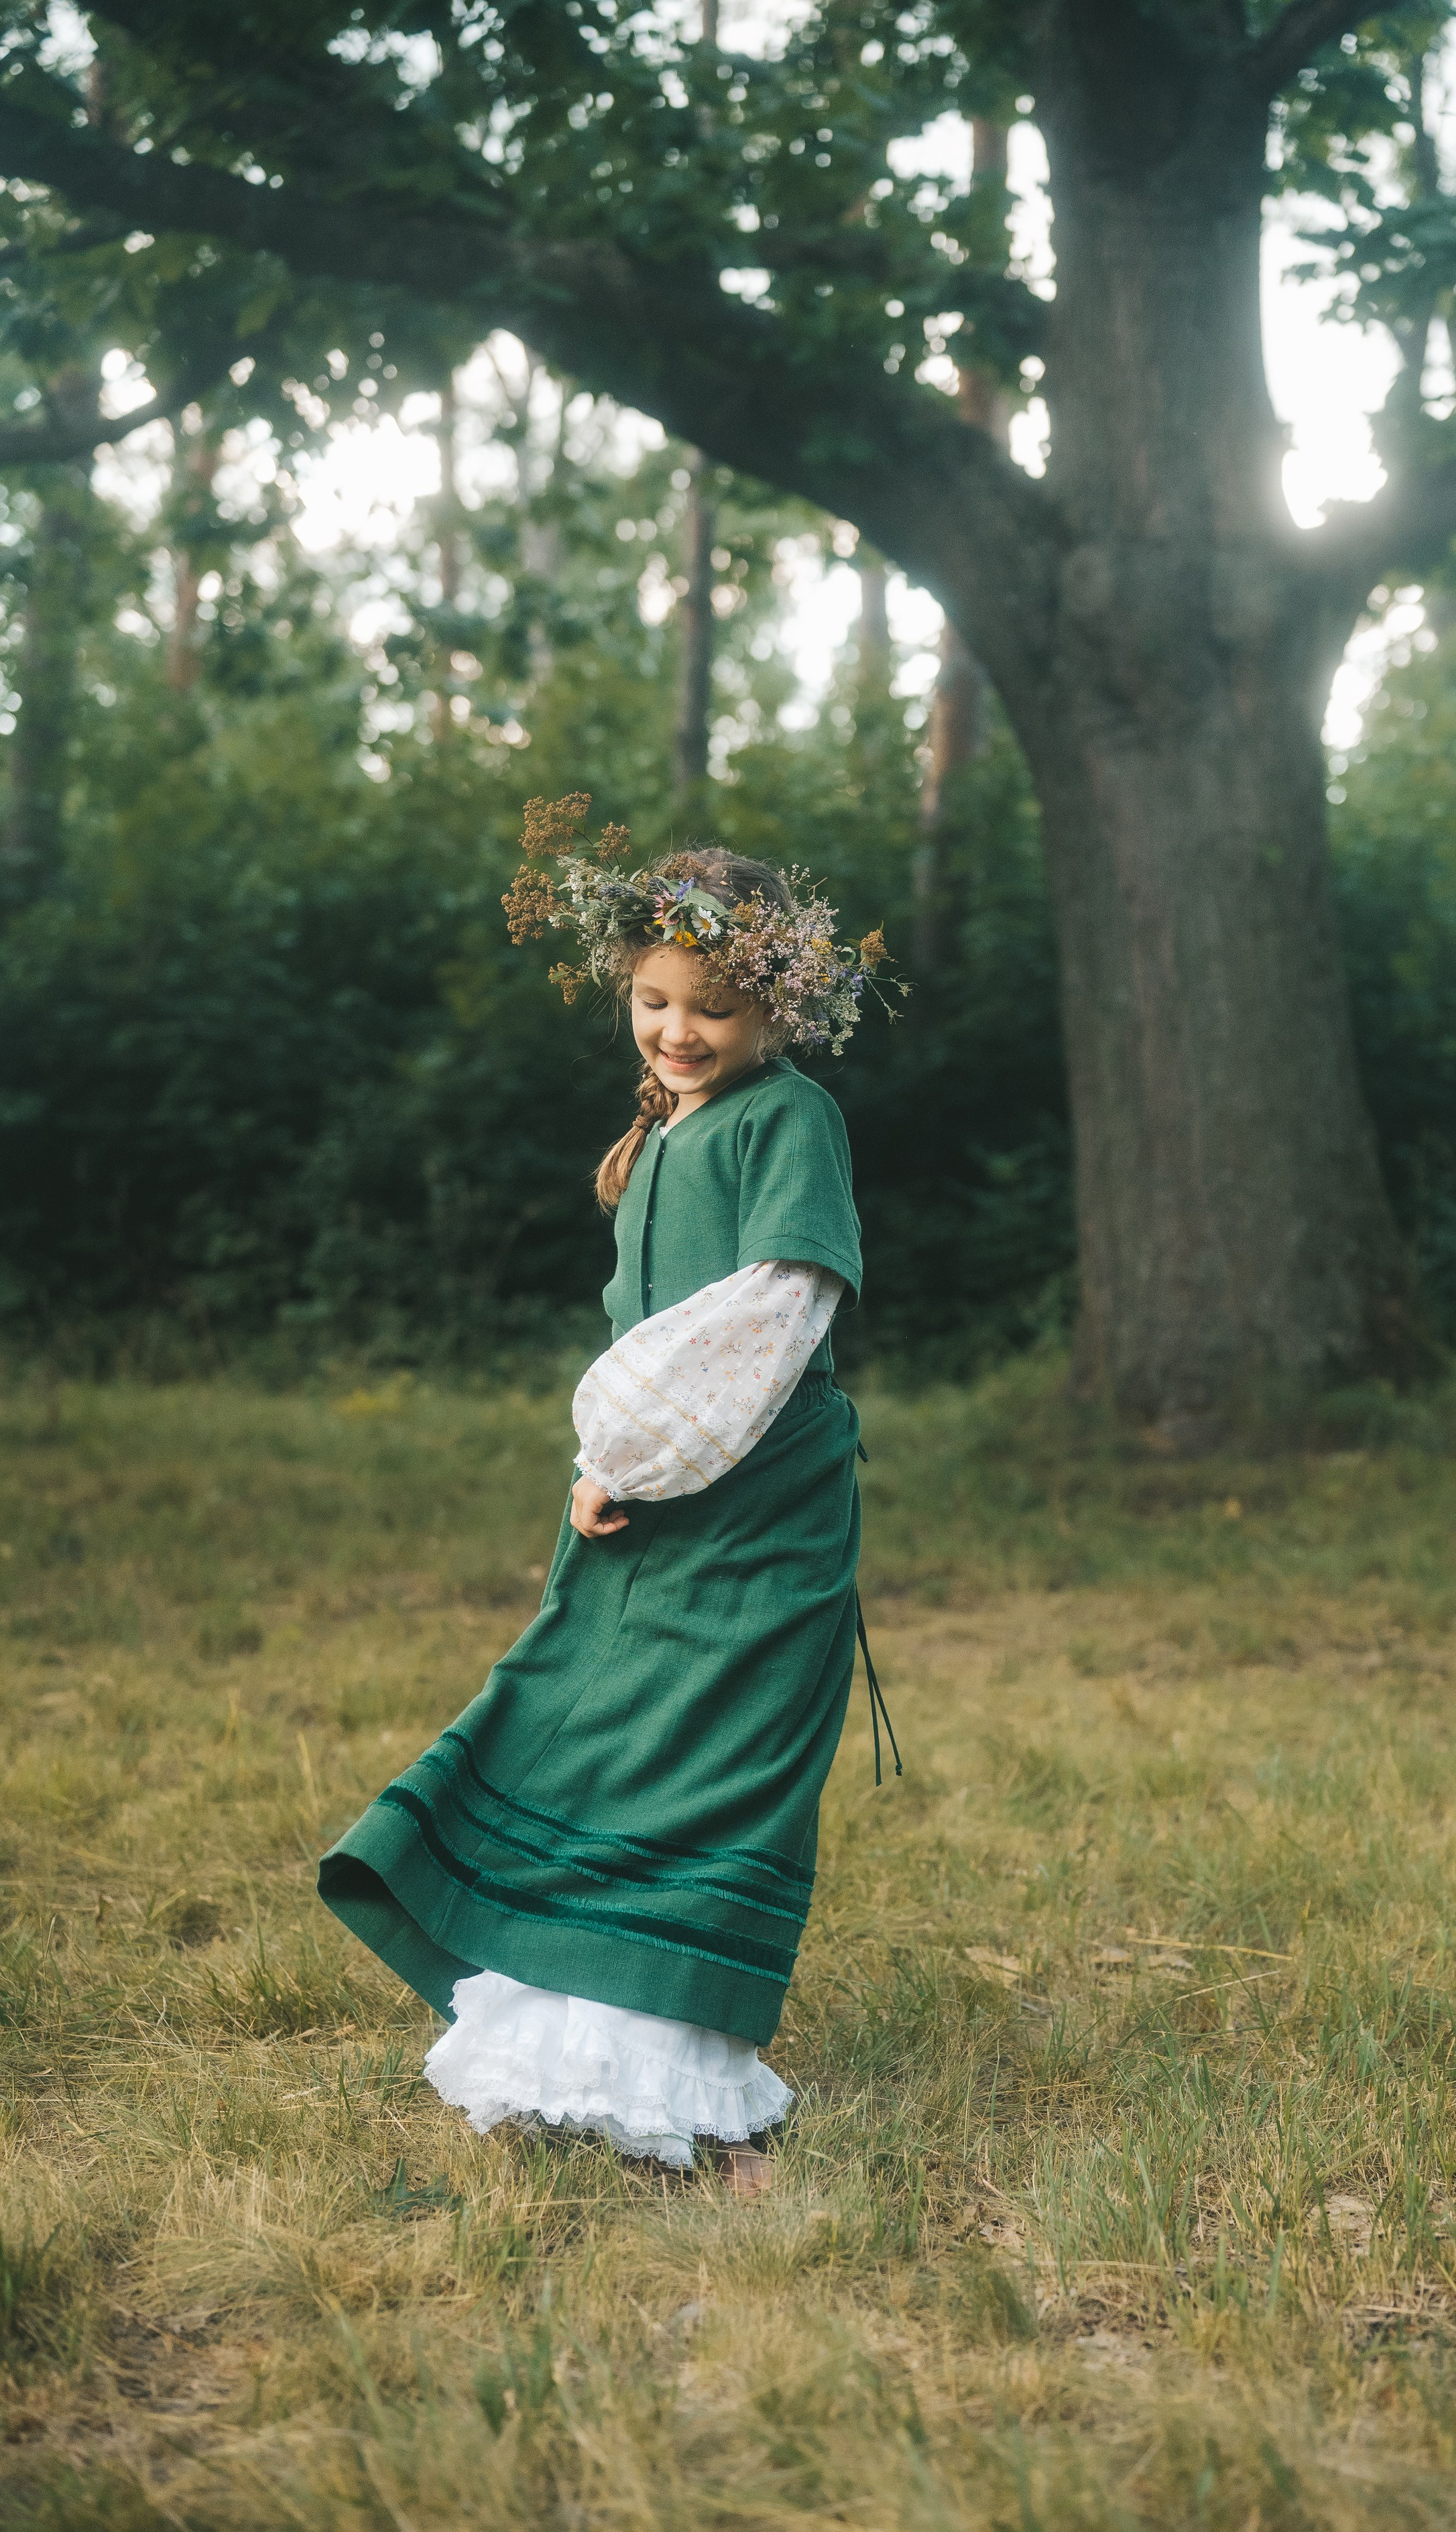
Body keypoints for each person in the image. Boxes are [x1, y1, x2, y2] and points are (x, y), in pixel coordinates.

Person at [319, 800, 898, 2197]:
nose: (677, 1031)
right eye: (653, 1001)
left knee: (712, 1768)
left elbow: (769, 1314)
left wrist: (617, 1459)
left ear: (778, 1008)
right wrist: (618, 1475)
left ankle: (681, 2083)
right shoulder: (658, 1129)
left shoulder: (787, 1119)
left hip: (754, 1514)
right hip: (650, 1510)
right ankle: (566, 2041)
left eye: (710, 1008)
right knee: (595, 1735)